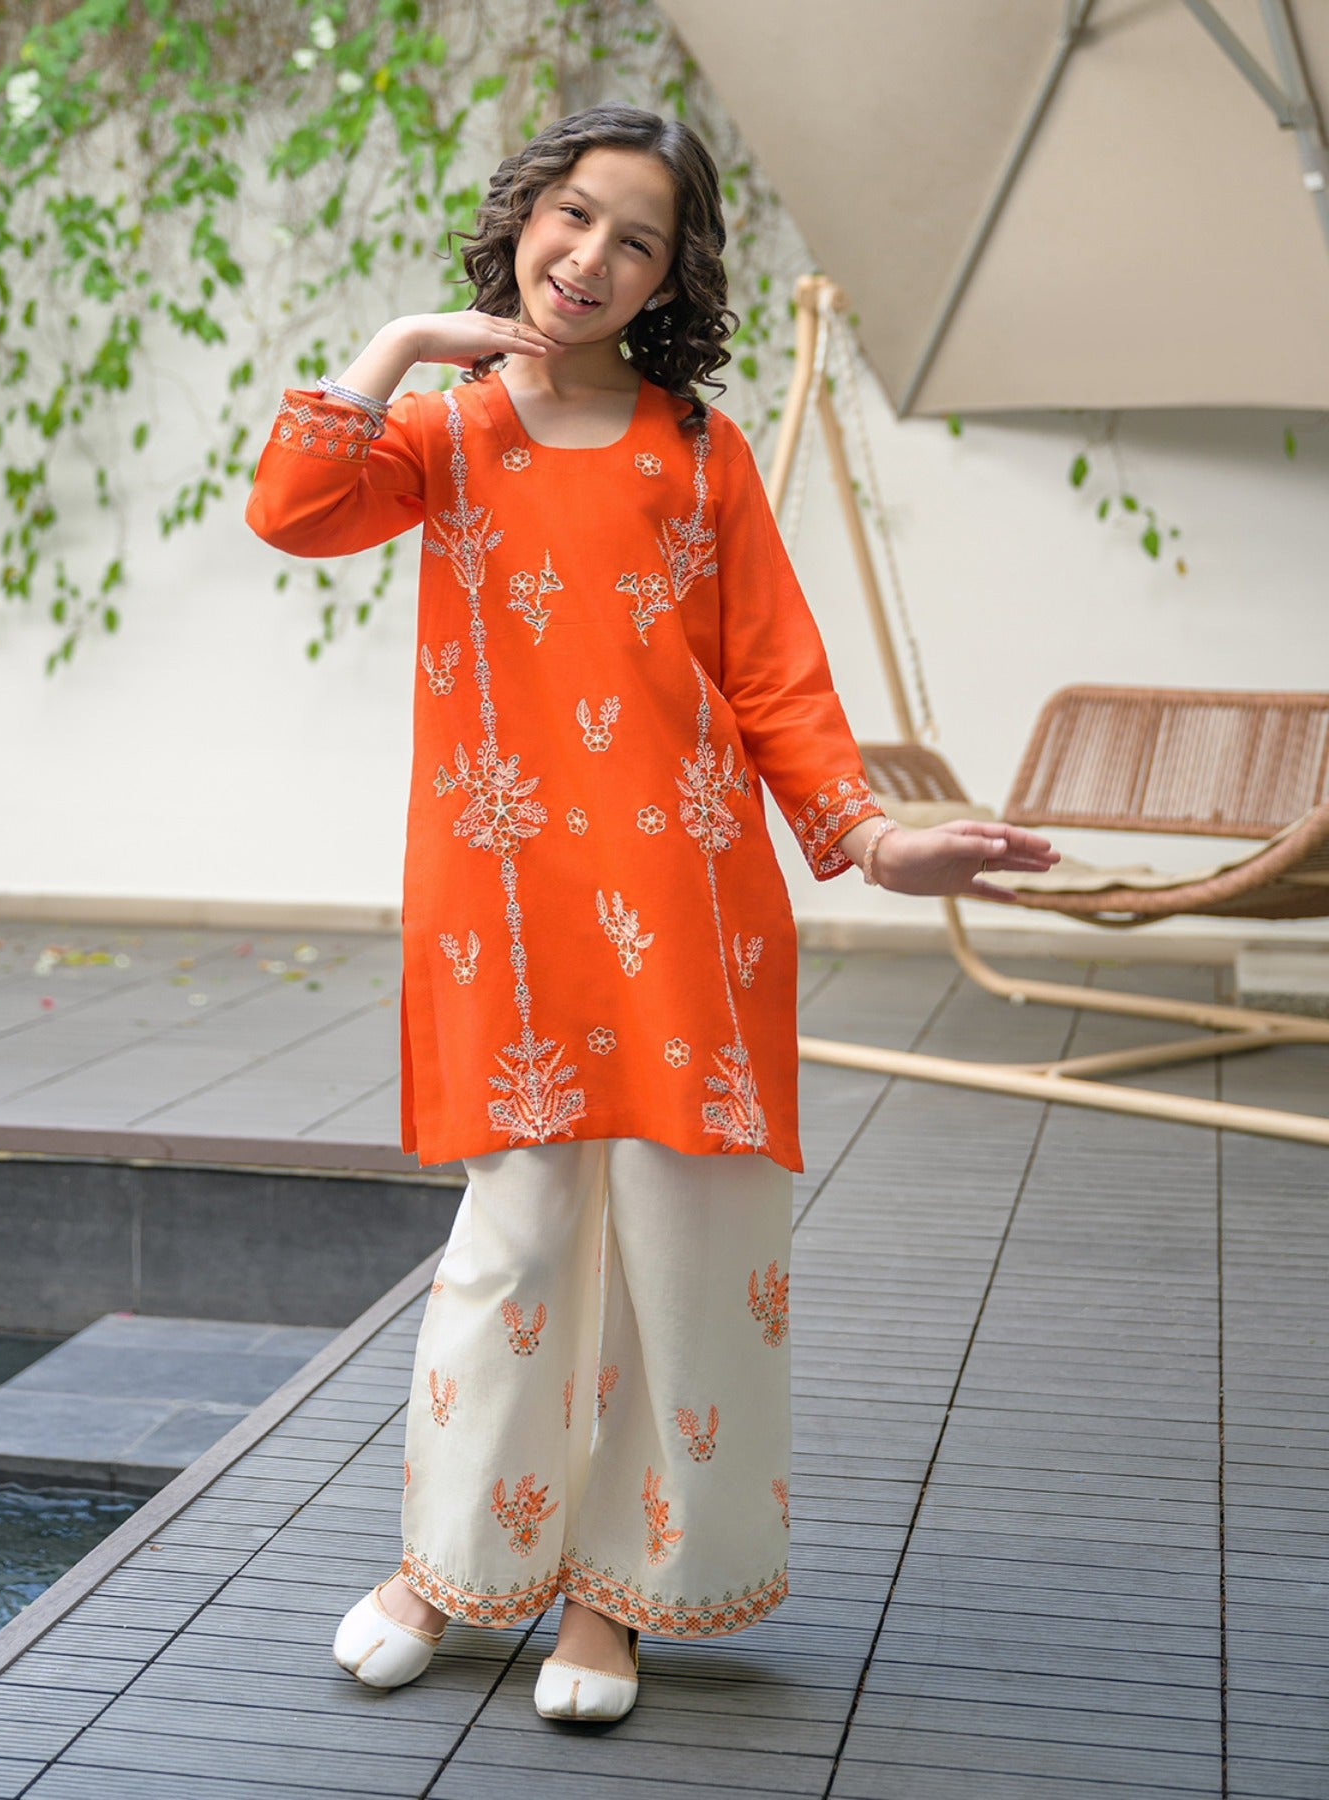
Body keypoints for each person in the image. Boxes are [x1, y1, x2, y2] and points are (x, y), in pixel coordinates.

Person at [245, 102, 1057, 1725]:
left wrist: (873, 839)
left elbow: (776, 680)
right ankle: (449, 1571)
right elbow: (295, 507)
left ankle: (616, 1600)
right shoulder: (444, 433)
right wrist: (401, 343)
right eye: (573, 215)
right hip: (509, 913)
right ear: (523, 218)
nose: (592, 256)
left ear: (670, 277)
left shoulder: (700, 450)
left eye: (638, 239)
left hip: (690, 908)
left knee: (688, 1256)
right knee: (516, 1246)